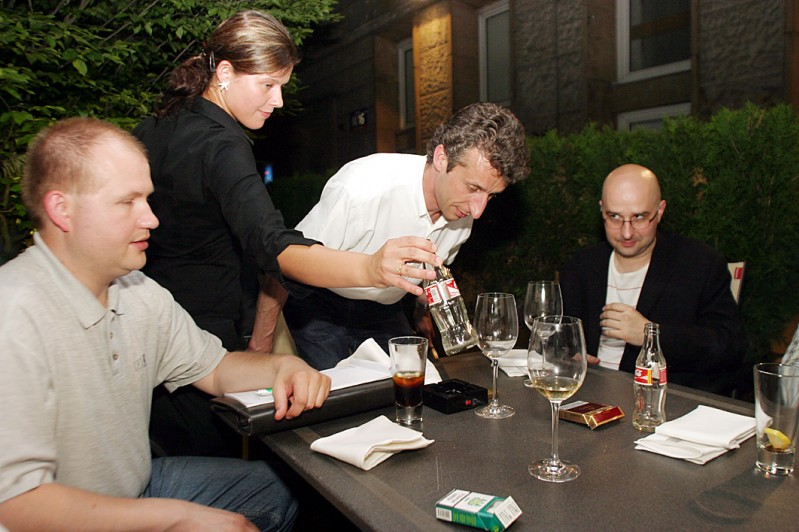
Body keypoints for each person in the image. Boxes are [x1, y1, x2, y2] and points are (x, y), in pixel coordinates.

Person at [0, 117, 331, 530]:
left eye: (147, 199)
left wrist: (283, 366)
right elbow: (15, 503)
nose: (152, 219)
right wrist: (175, 519)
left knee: (298, 485)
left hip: (136, 489)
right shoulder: (13, 314)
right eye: (127, 202)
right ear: (62, 210)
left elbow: (216, 369)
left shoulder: (137, 290)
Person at [133, 10, 438, 456]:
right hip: (204, 338)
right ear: (224, 73)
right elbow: (272, 245)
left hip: (148, 323)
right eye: (268, 85)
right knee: (223, 472)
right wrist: (370, 267)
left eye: (282, 86)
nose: (277, 101)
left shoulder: (157, 125)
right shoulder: (222, 143)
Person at [283, 102, 531, 369]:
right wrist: (263, 339)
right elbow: (286, 259)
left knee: (420, 384)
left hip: (385, 308)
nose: (478, 210)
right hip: (320, 305)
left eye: (490, 196)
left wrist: (421, 310)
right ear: (441, 158)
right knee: (333, 391)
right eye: (472, 188)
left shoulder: (462, 213)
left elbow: (431, 273)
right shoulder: (362, 187)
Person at [560, 163, 747, 394]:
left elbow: (730, 347)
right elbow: (561, 336)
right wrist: (567, 355)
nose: (626, 232)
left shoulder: (699, 265)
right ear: (602, 210)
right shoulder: (582, 265)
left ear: (659, 211)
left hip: (663, 403)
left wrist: (650, 335)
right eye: (614, 217)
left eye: (639, 217)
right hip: (587, 396)